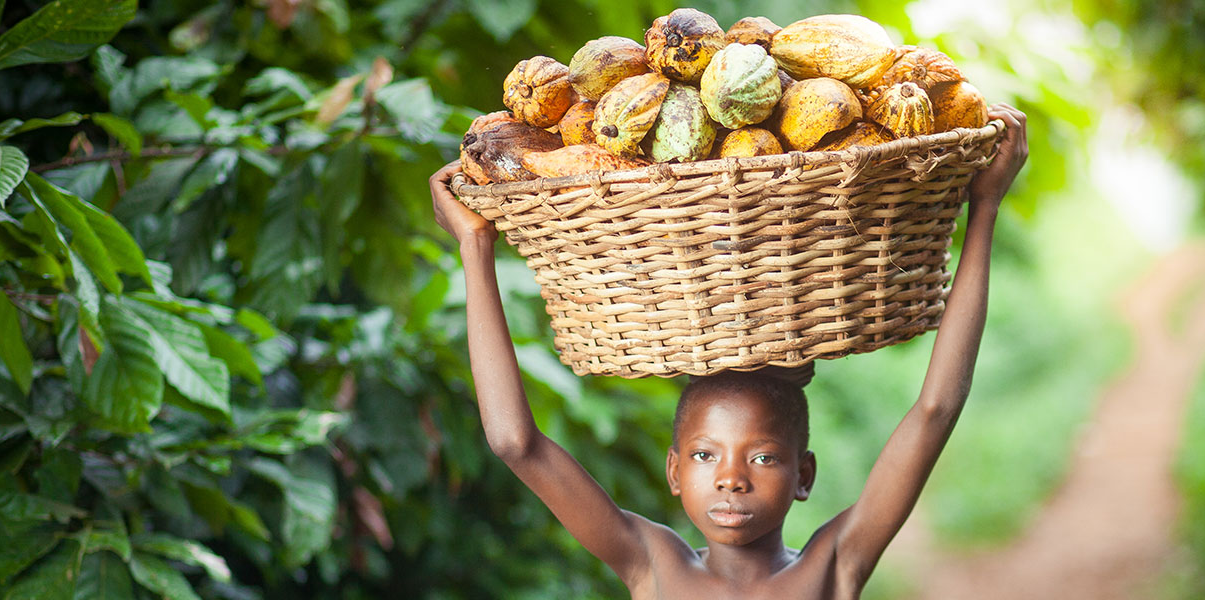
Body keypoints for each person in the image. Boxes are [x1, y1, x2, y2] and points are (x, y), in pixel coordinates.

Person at [427, 104, 1028, 599]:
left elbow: (936, 409)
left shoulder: (831, 569)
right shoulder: (654, 568)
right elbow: (515, 443)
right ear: (673, 470)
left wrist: (985, 207)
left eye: (763, 459)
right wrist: (475, 248)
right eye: (706, 455)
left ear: (804, 475)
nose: (732, 480)